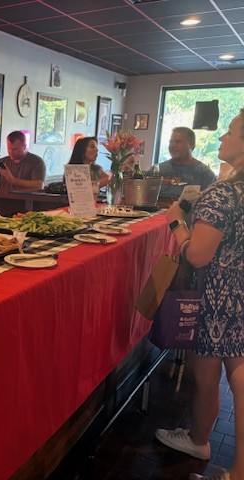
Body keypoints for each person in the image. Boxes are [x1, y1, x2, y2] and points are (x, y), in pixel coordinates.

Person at [155, 109, 244, 480]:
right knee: (223, 373)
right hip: (237, 293)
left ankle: (219, 458)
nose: (222, 137)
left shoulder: (224, 193)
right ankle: (205, 444)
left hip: (217, 296)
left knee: (220, 374)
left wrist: (176, 222)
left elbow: (197, 255)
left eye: (230, 132)